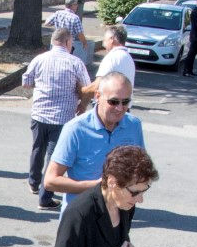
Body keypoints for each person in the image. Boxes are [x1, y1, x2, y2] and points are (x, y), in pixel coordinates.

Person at [45, 72, 145, 218]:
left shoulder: (133, 125)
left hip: (118, 217)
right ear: (97, 96)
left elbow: (141, 169)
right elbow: (50, 181)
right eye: (113, 101)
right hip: (82, 217)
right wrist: (98, 187)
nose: (120, 108)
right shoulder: (76, 129)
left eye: (125, 102)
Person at [22, 28, 91, 211]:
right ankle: (45, 198)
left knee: (37, 149)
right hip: (62, 117)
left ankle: (33, 182)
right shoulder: (75, 62)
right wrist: (82, 104)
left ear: (53, 41)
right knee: (54, 158)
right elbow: (87, 88)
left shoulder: (39, 59)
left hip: (39, 113)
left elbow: (26, 82)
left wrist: (42, 85)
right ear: (68, 42)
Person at [83, 25, 134, 95]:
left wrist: (82, 90)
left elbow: (97, 85)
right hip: (124, 100)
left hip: (109, 100)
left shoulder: (112, 57)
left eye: (104, 39)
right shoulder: (128, 57)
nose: (103, 43)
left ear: (111, 39)